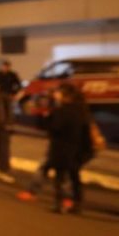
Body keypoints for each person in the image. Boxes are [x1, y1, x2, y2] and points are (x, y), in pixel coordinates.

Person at [43, 83, 93, 214]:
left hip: (62, 149)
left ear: (65, 96)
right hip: (77, 149)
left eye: (58, 92)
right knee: (75, 177)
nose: (56, 95)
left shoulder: (62, 111)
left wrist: (48, 115)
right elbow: (86, 132)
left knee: (60, 178)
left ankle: (59, 204)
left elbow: (54, 128)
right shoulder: (82, 110)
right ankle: (77, 204)